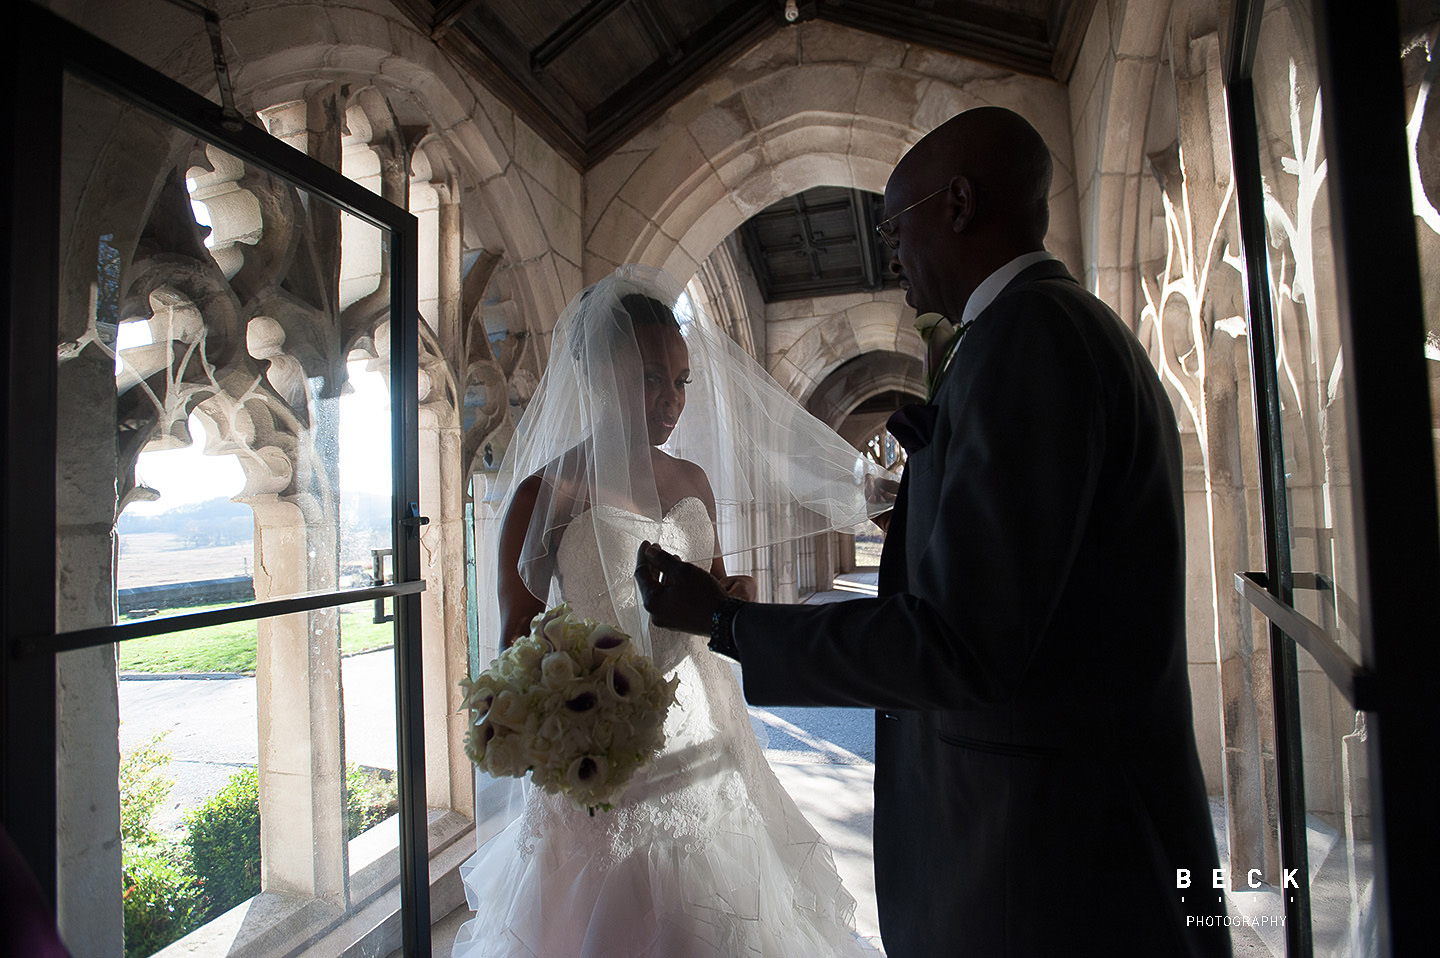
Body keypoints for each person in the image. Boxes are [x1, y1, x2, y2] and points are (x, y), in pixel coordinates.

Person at [636, 107, 1233, 957]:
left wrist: (729, 622)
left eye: (895, 224)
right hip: (1048, 833)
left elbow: (960, 641)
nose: (890, 253)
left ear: (958, 204)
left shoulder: (1030, 339)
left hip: (1040, 855)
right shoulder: (1047, 329)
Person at [452, 265, 891, 958]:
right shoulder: (548, 492)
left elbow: (710, 595)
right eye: (651, 377)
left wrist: (735, 600)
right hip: (604, 749)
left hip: (709, 733)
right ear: (597, 375)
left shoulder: (693, 481)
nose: (671, 400)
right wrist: (576, 716)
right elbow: (513, 645)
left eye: (681, 380)